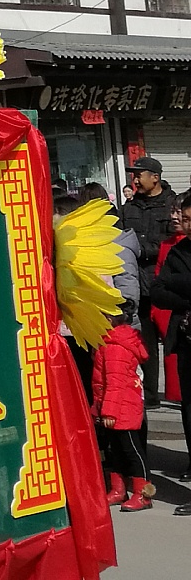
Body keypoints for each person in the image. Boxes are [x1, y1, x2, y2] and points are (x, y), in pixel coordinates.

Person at [122, 156, 179, 406]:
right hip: (139, 285)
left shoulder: (172, 205)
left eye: (139, 175)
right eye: (134, 175)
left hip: (166, 284)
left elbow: (173, 242)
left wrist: (144, 250)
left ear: (155, 177)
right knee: (146, 344)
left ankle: (179, 392)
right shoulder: (129, 207)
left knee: (173, 342)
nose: (135, 180)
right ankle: (151, 396)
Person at [149, 198, 191, 505]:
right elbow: (158, 291)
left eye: (189, 218)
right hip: (187, 339)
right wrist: (186, 296)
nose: (185, 223)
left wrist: (181, 282)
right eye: (184, 218)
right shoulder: (178, 251)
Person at [94, 311, 155, 511]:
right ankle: (119, 490)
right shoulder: (110, 342)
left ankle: (143, 493)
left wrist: (109, 412)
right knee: (117, 450)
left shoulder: (115, 347)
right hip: (117, 405)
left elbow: (115, 383)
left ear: (108, 320)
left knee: (131, 450)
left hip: (122, 407)